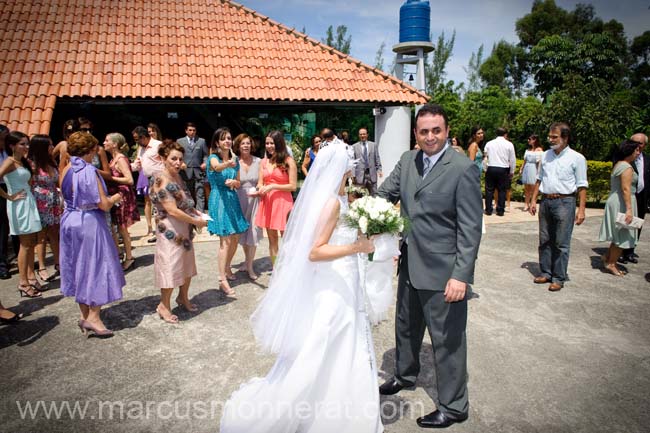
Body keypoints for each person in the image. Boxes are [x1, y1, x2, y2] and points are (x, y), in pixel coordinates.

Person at [220, 141, 381, 433]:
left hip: (345, 277)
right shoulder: (332, 202)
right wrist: (357, 247)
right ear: (342, 167)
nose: (353, 166)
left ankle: (338, 394)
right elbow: (315, 251)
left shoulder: (340, 198)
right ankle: (314, 402)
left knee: (343, 338)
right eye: (350, 162)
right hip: (334, 282)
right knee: (328, 337)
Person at [377, 104, 483, 429]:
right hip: (409, 262)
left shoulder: (462, 169)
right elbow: (385, 194)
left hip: (443, 273)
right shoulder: (408, 161)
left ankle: (454, 406)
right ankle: (405, 375)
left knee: (447, 341)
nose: (430, 137)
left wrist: (461, 276)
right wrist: (362, 209)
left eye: (436, 130)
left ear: (447, 131)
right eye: (424, 131)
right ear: (416, 133)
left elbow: (470, 229)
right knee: (406, 328)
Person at [59, 131, 125, 338]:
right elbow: (103, 205)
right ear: (88, 151)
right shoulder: (89, 171)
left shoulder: (67, 168)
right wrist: (116, 196)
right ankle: (94, 318)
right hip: (89, 223)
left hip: (69, 221)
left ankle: (84, 315)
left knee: (78, 266)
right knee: (97, 266)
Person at [150, 140, 207, 323]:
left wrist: (197, 213)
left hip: (183, 226)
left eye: (180, 159)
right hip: (170, 230)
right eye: (173, 158)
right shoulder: (160, 179)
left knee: (186, 264)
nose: (177, 162)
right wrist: (196, 221)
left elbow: (184, 201)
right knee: (170, 266)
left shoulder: (177, 176)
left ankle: (183, 297)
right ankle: (163, 305)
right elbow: (172, 210)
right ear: (163, 158)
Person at [529, 122, 588, 292]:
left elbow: (582, 185)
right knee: (545, 239)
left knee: (561, 242)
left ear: (565, 138)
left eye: (555, 137)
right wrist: (534, 200)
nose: (550, 139)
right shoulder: (546, 155)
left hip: (565, 202)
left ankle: (558, 277)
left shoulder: (577, 158)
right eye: (550, 136)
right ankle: (546, 272)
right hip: (546, 201)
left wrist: (581, 210)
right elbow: (539, 179)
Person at [207, 128, 249, 296]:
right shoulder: (213, 158)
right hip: (219, 200)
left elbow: (239, 182)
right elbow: (216, 168)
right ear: (217, 142)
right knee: (225, 240)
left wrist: (235, 182)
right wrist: (228, 164)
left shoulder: (235, 160)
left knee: (236, 236)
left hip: (232, 199)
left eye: (229, 139)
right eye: (223, 139)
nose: (227, 141)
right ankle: (221, 278)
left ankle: (227, 267)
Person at [0, 131, 43, 297]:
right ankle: (23, 282)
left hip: (28, 202)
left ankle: (30, 278)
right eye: (22, 144)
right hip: (19, 205)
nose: (26, 147)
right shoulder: (9, 161)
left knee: (31, 241)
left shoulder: (22, 161)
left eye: (27, 143)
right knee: (25, 244)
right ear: (12, 146)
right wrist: (9, 196)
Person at [254, 130, 297, 267]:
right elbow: (260, 182)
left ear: (279, 143)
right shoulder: (263, 162)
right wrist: (259, 188)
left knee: (288, 239)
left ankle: (291, 269)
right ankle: (276, 269)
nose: (269, 146)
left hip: (284, 204)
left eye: (272, 143)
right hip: (268, 203)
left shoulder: (289, 161)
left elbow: (293, 186)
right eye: (267, 143)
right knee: (272, 240)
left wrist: (273, 186)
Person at [599, 140, 641, 276]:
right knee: (623, 235)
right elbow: (625, 189)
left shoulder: (619, 164)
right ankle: (611, 263)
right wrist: (629, 209)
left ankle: (608, 258)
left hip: (617, 200)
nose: (638, 153)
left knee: (617, 234)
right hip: (622, 202)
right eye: (636, 150)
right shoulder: (626, 167)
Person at [28, 134, 62, 283]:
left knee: (55, 233)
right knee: (41, 237)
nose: (52, 147)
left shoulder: (51, 162)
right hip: (40, 203)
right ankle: (41, 267)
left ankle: (59, 263)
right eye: (49, 145)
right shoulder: (32, 164)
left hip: (53, 202)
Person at [104, 133, 140, 271]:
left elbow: (129, 180)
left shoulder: (120, 159)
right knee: (118, 228)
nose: (104, 142)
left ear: (115, 144)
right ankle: (121, 254)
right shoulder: (113, 159)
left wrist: (111, 178)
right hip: (116, 196)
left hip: (122, 197)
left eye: (107, 140)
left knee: (122, 228)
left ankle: (129, 257)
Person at [233, 133, 262, 280]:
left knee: (254, 231)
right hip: (239, 200)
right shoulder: (234, 162)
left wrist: (259, 189)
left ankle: (250, 266)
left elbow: (262, 181)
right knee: (244, 233)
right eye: (243, 143)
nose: (246, 146)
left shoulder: (259, 161)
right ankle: (246, 260)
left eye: (248, 143)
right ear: (238, 146)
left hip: (255, 200)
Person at [620, 133, 650, 264]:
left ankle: (630, 251)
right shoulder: (625, 160)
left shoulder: (647, 159)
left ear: (645, 145)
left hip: (642, 196)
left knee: (637, 223)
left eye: (640, 143)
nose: (637, 146)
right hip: (628, 195)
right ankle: (620, 251)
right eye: (634, 143)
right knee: (624, 223)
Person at [131, 125, 162, 242]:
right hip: (148, 179)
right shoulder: (141, 149)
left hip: (160, 180)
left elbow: (166, 161)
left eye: (137, 139)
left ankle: (163, 231)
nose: (136, 142)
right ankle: (159, 231)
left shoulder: (158, 145)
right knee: (155, 208)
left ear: (143, 137)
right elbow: (137, 164)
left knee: (162, 207)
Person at [177, 122, 209, 216]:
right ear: (186, 131)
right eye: (190, 130)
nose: (192, 132)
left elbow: (206, 155)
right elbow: (176, 154)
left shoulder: (201, 141)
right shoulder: (180, 141)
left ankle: (200, 215)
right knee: (187, 194)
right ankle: (188, 214)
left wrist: (205, 162)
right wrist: (181, 163)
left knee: (200, 194)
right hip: (185, 172)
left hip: (198, 172)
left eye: (194, 130)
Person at [483, 127, 516, 216]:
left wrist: (485, 169)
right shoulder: (509, 144)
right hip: (503, 168)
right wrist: (512, 171)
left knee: (489, 190)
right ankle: (500, 210)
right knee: (502, 190)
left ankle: (488, 209)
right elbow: (512, 159)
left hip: (491, 167)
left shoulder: (489, 143)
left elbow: (485, 157)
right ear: (505, 134)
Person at [352, 127, 382, 195]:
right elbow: (353, 163)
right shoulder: (354, 146)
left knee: (374, 194)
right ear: (359, 135)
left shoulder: (373, 145)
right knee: (359, 195)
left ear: (367, 135)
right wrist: (353, 175)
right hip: (360, 175)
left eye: (364, 134)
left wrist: (379, 169)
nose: (362, 136)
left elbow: (377, 158)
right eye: (361, 134)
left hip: (372, 174)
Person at [520, 134, 544, 211]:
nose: (528, 141)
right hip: (527, 167)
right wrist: (521, 168)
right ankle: (526, 204)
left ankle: (533, 203)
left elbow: (539, 162)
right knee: (526, 188)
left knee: (534, 187)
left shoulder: (539, 150)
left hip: (534, 168)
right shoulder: (528, 150)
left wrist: (538, 171)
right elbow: (525, 160)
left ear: (535, 140)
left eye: (530, 139)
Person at [0, 124, 12, 280]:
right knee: (2, 228)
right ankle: (2, 264)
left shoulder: (8, 153)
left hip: (11, 188)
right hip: (3, 190)